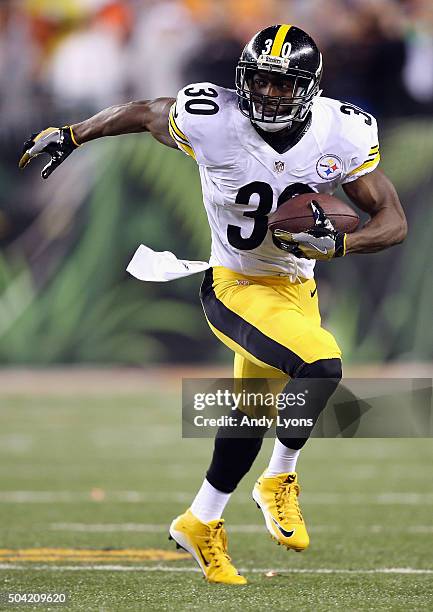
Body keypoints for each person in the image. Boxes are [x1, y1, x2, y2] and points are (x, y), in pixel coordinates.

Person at [19, 24, 407, 585]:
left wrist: (342, 242)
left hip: (299, 287)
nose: (270, 95)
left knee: (248, 415)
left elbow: (393, 221)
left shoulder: (341, 131)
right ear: (244, 80)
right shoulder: (212, 118)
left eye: (284, 85)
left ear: (310, 89)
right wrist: (72, 135)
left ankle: (200, 519)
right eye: (262, 82)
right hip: (236, 286)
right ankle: (280, 479)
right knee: (321, 364)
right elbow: (142, 111)